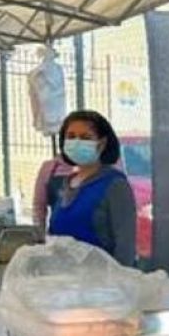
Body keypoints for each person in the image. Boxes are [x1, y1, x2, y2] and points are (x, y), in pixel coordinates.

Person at [44, 109, 137, 266]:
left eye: (85, 137)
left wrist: (118, 283)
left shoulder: (115, 185)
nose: (77, 142)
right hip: (66, 282)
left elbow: (125, 246)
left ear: (102, 144)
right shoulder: (65, 185)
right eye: (71, 136)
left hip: (102, 284)